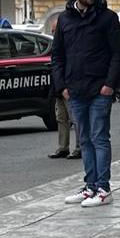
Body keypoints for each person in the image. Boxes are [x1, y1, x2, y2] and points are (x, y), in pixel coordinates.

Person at [53, 0, 120, 208]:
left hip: (99, 90)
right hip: (75, 91)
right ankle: (90, 186)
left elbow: (118, 54)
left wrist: (109, 85)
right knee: (84, 139)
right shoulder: (65, 20)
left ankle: (103, 188)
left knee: (99, 137)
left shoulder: (107, 18)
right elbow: (57, 55)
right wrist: (62, 86)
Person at [49, 18, 81, 160]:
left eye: (54, 31)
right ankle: (63, 146)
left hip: (69, 87)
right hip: (59, 88)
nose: (53, 33)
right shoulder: (56, 46)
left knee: (75, 118)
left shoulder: (71, 45)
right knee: (61, 118)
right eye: (52, 31)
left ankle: (80, 147)